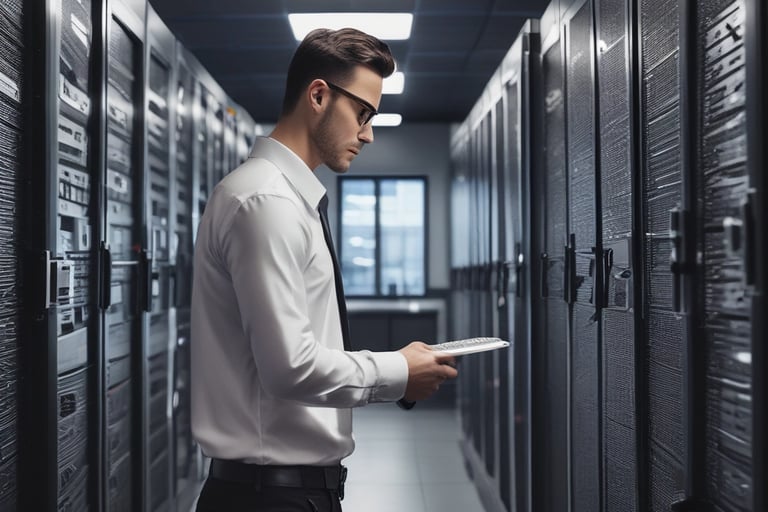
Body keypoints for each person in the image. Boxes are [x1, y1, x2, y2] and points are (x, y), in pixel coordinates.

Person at [191, 27, 458, 511]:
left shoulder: (288, 199)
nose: (368, 134)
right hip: (267, 496)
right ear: (318, 95)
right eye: (362, 114)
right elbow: (289, 367)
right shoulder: (265, 201)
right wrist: (398, 371)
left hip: (285, 491)